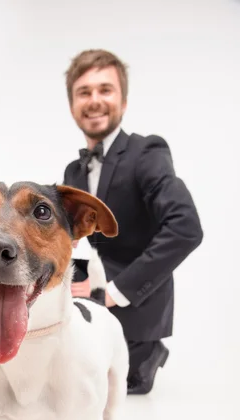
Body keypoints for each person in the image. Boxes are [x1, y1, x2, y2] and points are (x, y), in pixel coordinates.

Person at [63, 49, 203, 394]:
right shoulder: (72, 172)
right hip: (88, 313)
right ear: (72, 106)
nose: (94, 100)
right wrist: (73, 291)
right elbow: (78, 243)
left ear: (123, 102)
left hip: (136, 312)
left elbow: (185, 227)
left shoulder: (147, 153)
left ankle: (153, 353)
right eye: (84, 92)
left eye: (105, 89)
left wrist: (113, 292)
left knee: (122, 393)